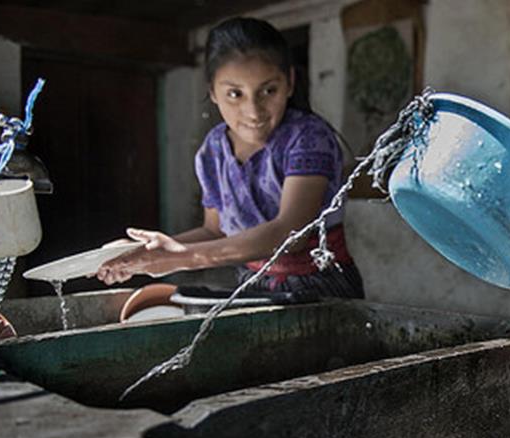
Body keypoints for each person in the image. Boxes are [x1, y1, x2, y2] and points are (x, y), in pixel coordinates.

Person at [97, 17, 363, 299]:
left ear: (290, 83)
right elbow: (215, 231)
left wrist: (181, 257)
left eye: (268, 90)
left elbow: (291, 235)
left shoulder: (308, 137)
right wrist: (145, 252)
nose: (253, 110)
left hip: (322, 289)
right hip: (252, 285)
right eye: (235, 94)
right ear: (213, 91)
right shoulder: (213, 150)